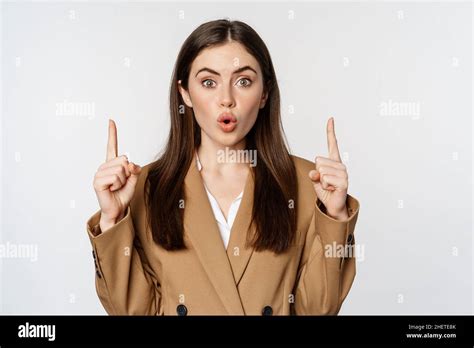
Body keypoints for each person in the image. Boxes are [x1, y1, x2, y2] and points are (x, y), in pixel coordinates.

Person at [87, 18, 360, 315]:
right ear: (185, 94)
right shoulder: (145, 188)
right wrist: (113, 220)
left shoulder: (308, 185)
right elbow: (135, 313)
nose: (226, 100)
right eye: (208, 82)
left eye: (243, 81)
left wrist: (334, 216)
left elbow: (316, 311)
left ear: (265, 93)